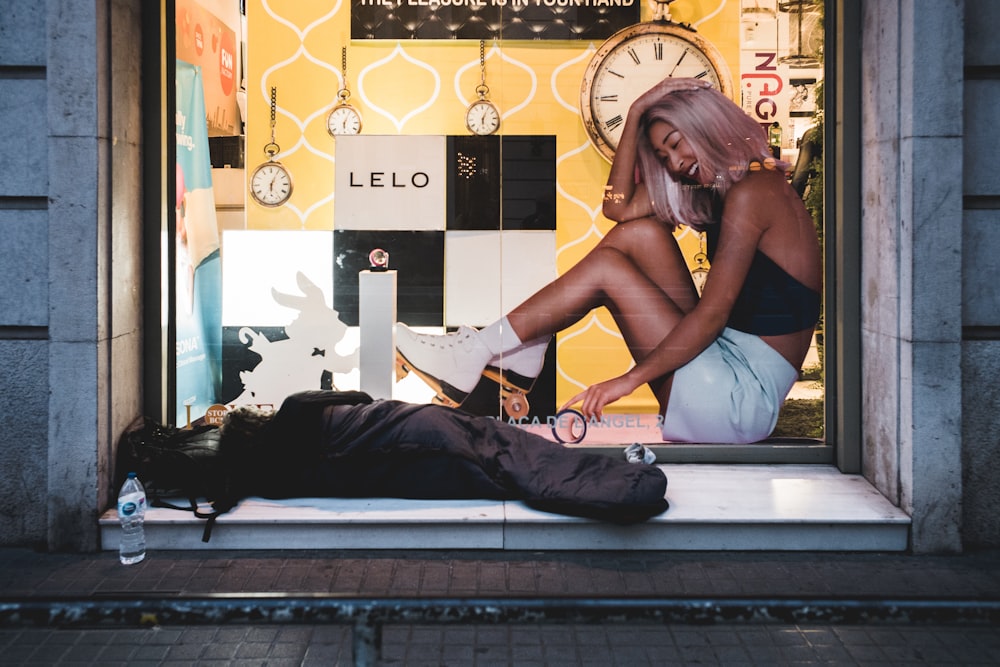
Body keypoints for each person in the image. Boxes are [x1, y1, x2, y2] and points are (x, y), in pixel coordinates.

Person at [396, 78, 821, 444]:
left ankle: (489, 348)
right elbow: (617, 209)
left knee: (608, 268)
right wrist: (636, 113)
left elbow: (711, 316)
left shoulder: (755, 192)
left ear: (706, 125)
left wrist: (627, 380)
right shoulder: (730, 188)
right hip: (724, 372)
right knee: (639, 234)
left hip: (737, 401)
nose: (674, 164)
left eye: (675, 144)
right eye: (663, 157)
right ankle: (514, 349)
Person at [217, 390, 668, 524]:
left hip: (411, 461)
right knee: (511, 449)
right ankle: (626, 480)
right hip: (414, 428)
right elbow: (359, 395)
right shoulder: (295, 408)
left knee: (509, 468)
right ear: (255, 421)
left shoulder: (273, 479)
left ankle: (623, 481)